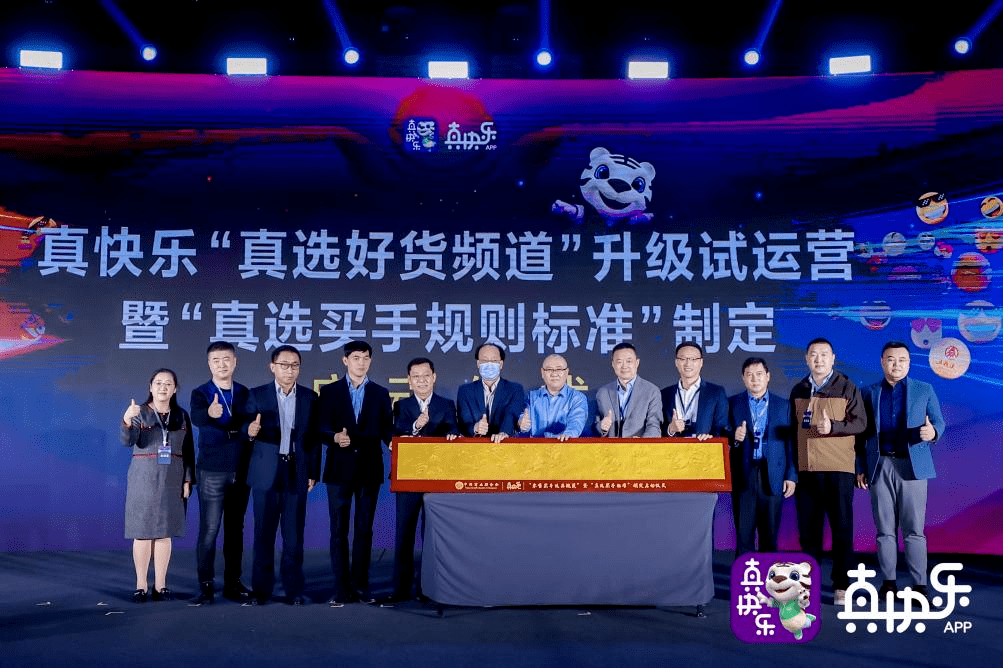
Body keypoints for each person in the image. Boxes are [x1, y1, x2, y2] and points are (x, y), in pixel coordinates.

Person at [856, 341, 946, 600]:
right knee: (884, 530)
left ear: (909, 362)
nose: (896, 364)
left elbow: (939, 422)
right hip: (880, 465)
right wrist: (860, 467)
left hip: (913, 467)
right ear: (882, 361)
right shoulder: (869, 392)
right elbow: (861, 435)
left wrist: (933, 432)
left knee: (914, 530)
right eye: (891, 359)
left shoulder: (924, 389)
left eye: (902, 360)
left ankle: (919, 586)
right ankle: (889, 583)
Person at [790, 338, 867, 606]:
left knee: (841, 529)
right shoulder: (799, 389)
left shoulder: (847, 387)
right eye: (813, 355)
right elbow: (793, 432)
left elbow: (861, 423)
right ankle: (806, 586)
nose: (819, 359)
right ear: (806, 359)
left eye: (824, 355)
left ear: (833, 358)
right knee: (808, 532)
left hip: (838, 469)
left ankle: (842, 585)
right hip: (808, 469)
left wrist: (834, 427)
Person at [315, 340, 393, 606]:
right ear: (345, 360)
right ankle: (340, 588)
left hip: (369, 469)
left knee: (364, 530)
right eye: (356, 358)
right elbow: (320, 427)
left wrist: (394, 443)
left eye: (366, 358)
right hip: (339, 469)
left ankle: (361, 586)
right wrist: (334, 437)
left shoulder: (380, 393)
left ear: (371, 361)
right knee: (338, 531)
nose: (361, 362)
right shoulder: (329, 391)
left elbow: (387, 428)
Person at [243, 345, 319, 605]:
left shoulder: (309, 397)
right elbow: (243, 427)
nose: (290, 370)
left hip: (296, 471)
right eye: (284, 365)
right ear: (272, 367)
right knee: (263, 534)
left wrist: (313, 472)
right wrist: (250, 431)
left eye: (295, 365)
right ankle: (261, 590)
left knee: (294, 536)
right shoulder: (256, 395)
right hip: (265, 472)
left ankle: (293, 590)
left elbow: (313, 439)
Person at [384, 357, 458, 604]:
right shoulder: (401, 405)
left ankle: (429, 587)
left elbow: (453, 429)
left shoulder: (446, 404)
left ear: (434, 377)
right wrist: (417, 424)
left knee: (433, 535)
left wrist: (452, 435)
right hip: (408, 478)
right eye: (416, 377)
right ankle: (401, 587)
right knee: (404, 533)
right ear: (409, 381)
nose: (422, 381)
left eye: (426, 376)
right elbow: (396, 432)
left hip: (436, 478)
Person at [121, 368, 194, 603]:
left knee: (164, 532)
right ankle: (141, 584)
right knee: (142, 533)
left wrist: (188, 479)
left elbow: (189, 450)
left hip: (172, 478)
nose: (163, 387)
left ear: (175, 389)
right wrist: (127, 420)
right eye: (158, 383)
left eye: (168, 383)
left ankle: (160, 585)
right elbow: (128, 441)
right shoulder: (140, 413)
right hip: (143, 479)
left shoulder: (181, 416)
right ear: (150, 387)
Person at [190, 341, 252, 604]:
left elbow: (248, 424)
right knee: (210, 530)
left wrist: (250, 430)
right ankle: (206, 585)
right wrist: (209, 412)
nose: (222, 364)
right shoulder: (201, 393)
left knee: (235, 530)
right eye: (216, 360)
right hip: (212, 471)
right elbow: (197, 418)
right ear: (209, 364)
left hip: (241, 469)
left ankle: (232, 583)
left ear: (235, 361)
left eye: (226, 359)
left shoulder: (244, 392)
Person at [728, 357, 796, 557]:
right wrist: (734, 436)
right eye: (749, 375)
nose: (754, 379)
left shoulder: (783, 405)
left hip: (773, 473)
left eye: (759, 374)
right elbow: (724, 433)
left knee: (770, 534)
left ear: (768, 376)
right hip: (744, 472)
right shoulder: (732, 404)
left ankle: (769, 575)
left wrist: (791, 476)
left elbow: (791, 443)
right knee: (743, 533)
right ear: (743, 378)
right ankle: (744, 575)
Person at [457, 342, 525, 441]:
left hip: (504, 446)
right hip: (474, 446)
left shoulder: (515, 389)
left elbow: (511, 415)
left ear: (501, 364)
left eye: (494, 360)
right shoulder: (465, 391)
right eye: (484, 360)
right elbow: (464, 422)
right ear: (478, 364)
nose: (489, 364)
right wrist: (475, 428)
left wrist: (504, 433)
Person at [661, 342, 728, 439]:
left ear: (701, 362)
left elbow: (722, 428)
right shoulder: (664, 394)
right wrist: (670, 429)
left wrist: (711, 438)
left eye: (693, 359)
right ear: (676, 362)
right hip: (673, 448)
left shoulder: (716, 392)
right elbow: (656, 428)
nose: (688, 363)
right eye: (683, 359)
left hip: (704, 447)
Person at [594, 342, 662, 438]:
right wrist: (602, 427)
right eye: (619, 362)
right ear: (613, 364)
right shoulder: (602, 392)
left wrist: (642, 443)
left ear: (637, 363)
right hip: (610, 446)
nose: (624, 366)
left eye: (629, 361)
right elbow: (595, 427)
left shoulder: (651, 391)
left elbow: (654, 425)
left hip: (640, 446)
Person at [517, 354, 588, 440]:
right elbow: (522, 418)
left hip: (564, 445)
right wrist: (521, 423)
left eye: (559, 369)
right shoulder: (532, 397)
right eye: (549, 369)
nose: (554, 374)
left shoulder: (577, 398)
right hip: (536, 446)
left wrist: (569, 434)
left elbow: (576, 422)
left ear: (566, 372)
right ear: (542, 372)